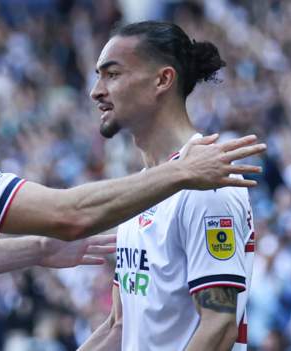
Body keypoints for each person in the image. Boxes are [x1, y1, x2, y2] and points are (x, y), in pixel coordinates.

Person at [0, 4, 265, 350]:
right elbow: (66, 214)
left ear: (163, 80)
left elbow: (208, 325)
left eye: (111, 74)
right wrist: (182, 172)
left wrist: (38, 249)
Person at [79, 21, 256, 351]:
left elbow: (218, 326)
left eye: (112, 74)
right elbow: (120, 325)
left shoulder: (207, 183)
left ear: (162, 79)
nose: (96, 91)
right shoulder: (144, 188)